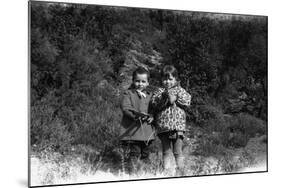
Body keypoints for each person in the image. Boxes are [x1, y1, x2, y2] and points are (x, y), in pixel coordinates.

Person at [150, 65, 191, 175]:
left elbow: (188, 100)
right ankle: (166, 172)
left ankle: (181, 172)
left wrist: (176, 98)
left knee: (177, 151)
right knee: (166, 151)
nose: (167, 81)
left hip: (178, 127)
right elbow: (154, 104)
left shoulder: (179, 90)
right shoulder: (159, 91)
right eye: (165, 79)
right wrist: (165, 98)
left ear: (176, 80)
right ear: (161, 79)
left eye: (170, 79)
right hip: (163, 127)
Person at [119, 67, 155, 175]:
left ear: (148, 82)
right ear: (133, 81)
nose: (140, 84)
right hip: (132, 132)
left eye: (143, 81)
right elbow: (125, 108)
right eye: (137, 81)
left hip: (147, 133)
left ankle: (145, 174)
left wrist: (152, 116)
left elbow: (153, 110)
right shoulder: (128, 93)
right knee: (134, 154)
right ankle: (132, 175)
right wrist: (134, 115)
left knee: (145, 154)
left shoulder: (150, 96)